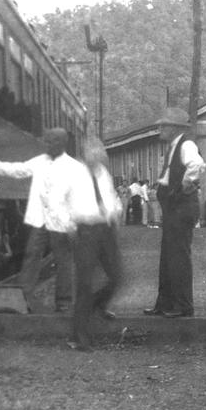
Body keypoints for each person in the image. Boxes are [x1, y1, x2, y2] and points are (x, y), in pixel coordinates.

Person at [0, 128, 85, 314]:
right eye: (47, 141)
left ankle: (64, 302)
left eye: (52, 141)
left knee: (63, 261)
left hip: (62, 222)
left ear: (62, 143)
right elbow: (19, 170)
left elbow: (79, 198)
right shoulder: (39, 162)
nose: (48, 144)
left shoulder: (74, 167)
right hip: (40, 219)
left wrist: (75, 223)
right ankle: (23, 298)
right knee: (31, 255)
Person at [64, 138, 124, 351]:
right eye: (94, 153)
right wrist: (69, 225)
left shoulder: (103, 174)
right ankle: (79, 337)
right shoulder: (73, 173)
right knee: (85, 284)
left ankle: (95, 306)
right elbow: (57, 200)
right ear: (85, 153)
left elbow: (112, 198)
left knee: (117, 277)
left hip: (106, 231)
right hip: (86, 231)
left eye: (101, 154)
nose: (98, 157)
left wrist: (116, 211)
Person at [147, 106, 206, 318]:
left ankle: (183, 306)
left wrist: (183, 187)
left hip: (181, 206)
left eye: (164, 125)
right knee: (168, 257)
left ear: (174, 127)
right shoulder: (174, 146)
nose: (160, 128)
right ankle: (165, 304)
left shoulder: (186, 144)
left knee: (178, 257)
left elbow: (197, 166)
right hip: (173, 207)